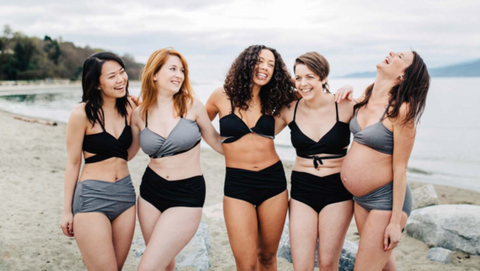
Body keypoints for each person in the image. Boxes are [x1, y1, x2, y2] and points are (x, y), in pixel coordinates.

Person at [131, 48, 223, 271]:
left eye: (182, 71)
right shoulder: (139, 113)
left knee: (147, 267)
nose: (179, 75)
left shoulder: (193, 105)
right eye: (172, 69)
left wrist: (253, 132)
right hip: (150, 193)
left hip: (186, 194)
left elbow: (219, 144)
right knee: (164, 264)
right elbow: (126, 153)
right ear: (154, 74)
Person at [206, 45, 296, 271]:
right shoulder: (221, 96)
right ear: (246, 63)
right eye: (260, 61)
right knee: (245, 264)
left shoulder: (275, 99)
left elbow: (310, 93)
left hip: (273, 182)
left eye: (271, 65)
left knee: (267, 257)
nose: (265, 67)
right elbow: (195, 123)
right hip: (237, 184)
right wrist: (219, 145)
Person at [339, 51, 430, 271]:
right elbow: (337, 109)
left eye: (400, 56)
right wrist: (346, 89)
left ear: (403, 76)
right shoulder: (368, 96)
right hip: (360, 199)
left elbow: (401, 168)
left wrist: (394, 223)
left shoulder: (401, 111)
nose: (391, 53)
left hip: (385, 201)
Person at [275, 52, 355, 271]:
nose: (303, 83)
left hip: (337, 190)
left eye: (310, 77)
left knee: (329, 264)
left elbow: (376, 131)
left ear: (323, 77)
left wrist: (349, 86)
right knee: (301, 266)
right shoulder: (289, 109)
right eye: (298, 78)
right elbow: (259, 135)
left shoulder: (345, 105)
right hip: (302, 189)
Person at [60, 52, 139, 271]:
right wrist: (67, 210)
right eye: (112, 76)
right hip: (92, 197)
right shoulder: (82, 114)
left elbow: (129, 155)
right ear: (96, 83)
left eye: (122, 72)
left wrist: (141, 120)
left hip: (125, 195)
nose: (121, 79)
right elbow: (73, 163)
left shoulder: (131, 109)